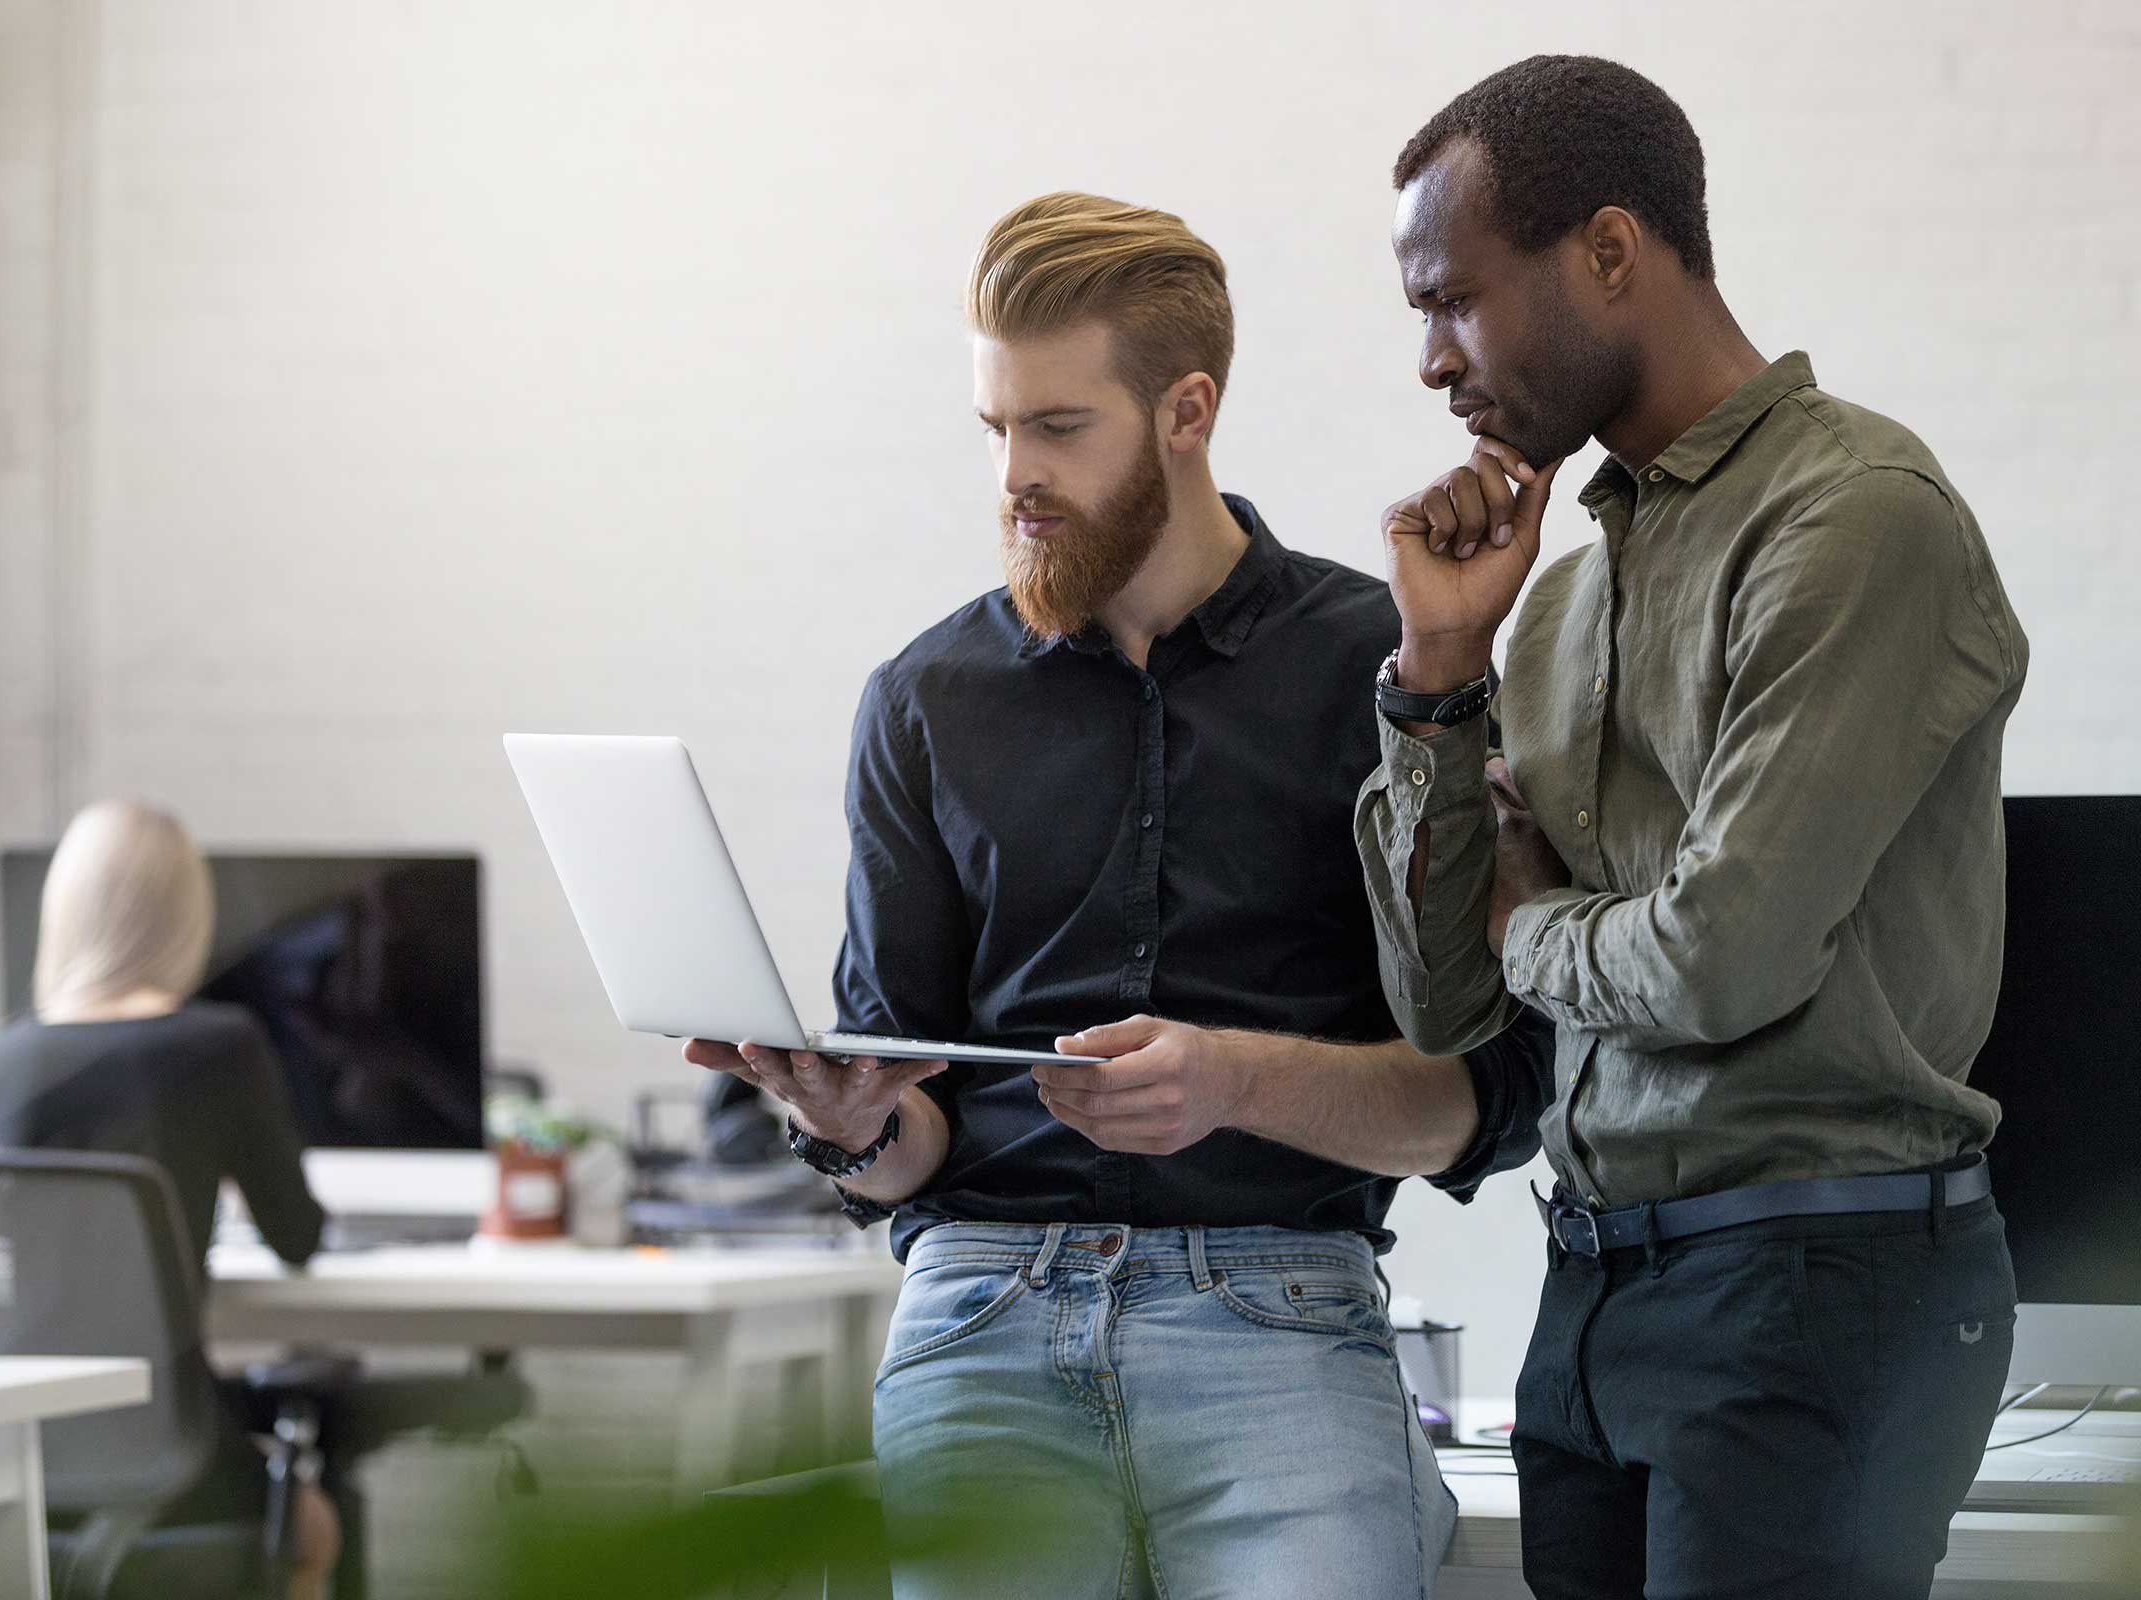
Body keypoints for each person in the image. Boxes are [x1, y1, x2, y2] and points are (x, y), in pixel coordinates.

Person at [688, 192, 1554, 1598]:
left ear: (1185, 411)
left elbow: (1494, 1103)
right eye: (996, 429)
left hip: (1274, 1306)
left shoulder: (1387, 673)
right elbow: (906, 1135)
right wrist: (849, 1129)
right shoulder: (924, 701)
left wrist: (1235, 1083)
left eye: (1058, 428)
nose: (1014, 477)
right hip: (983, 1300)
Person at [1356, 55, 2029, 1600]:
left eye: (1452, 299)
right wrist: (1438, 678)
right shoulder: (1561, 601)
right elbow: (1446, 1010)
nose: (1432, 364)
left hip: (1820, 1275)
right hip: (1595, 1287)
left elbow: (1723, 959)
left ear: (1609, 252)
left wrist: (1530, 921)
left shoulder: (1855, 515)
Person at [0, 800, 340, 1600]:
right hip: (170, 1442)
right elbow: (299, 1236)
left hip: (23, 1443)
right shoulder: (219, 1045)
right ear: (184, 919)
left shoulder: (3, 1058)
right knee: (313, 1526)